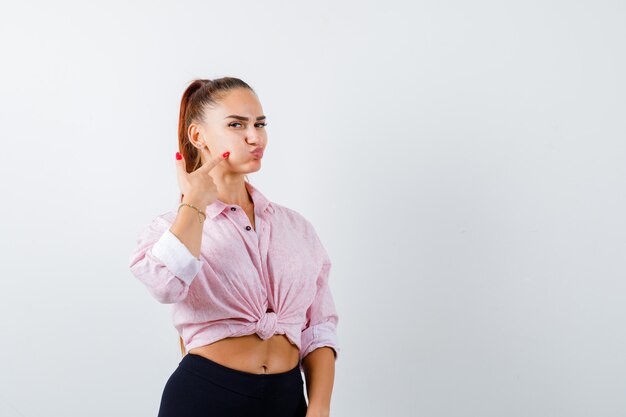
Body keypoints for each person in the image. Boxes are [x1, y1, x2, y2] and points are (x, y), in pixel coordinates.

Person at [128, 77, 341, 417]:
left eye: (260, 124)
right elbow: (165, 285)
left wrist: (319, 407)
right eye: (236, 125)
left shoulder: (296, 228)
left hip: (287, 399)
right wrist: (195, 201)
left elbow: (318, 328)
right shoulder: (168, 228)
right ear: (198, 136)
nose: (254, 137)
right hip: (204, 398)